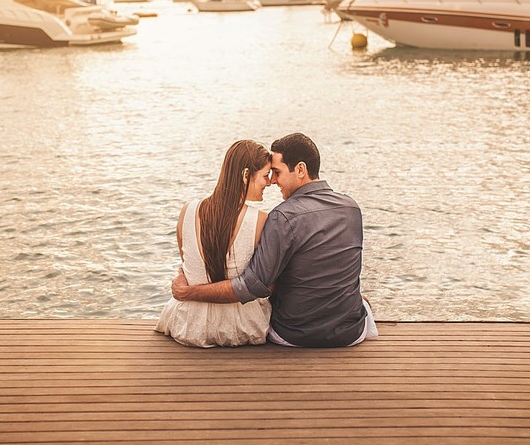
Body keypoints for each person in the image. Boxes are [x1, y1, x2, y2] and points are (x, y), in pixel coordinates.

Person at [171, 133, 378, 348]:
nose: (273, 181)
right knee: (357, 297)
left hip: (293, 335)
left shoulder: (283, 216)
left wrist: (189, 292)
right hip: (350, 333)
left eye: (277, 172)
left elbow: (253, 285)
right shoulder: (351, 208)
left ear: (300, 170)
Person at [155, 140, 273, 347]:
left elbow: (187, 264)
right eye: (265, 175)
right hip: (241, 327)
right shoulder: (261, 221)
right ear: (246, 175)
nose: (269, 183)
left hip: (188, 324)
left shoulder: (188, 210)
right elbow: (265, 284)